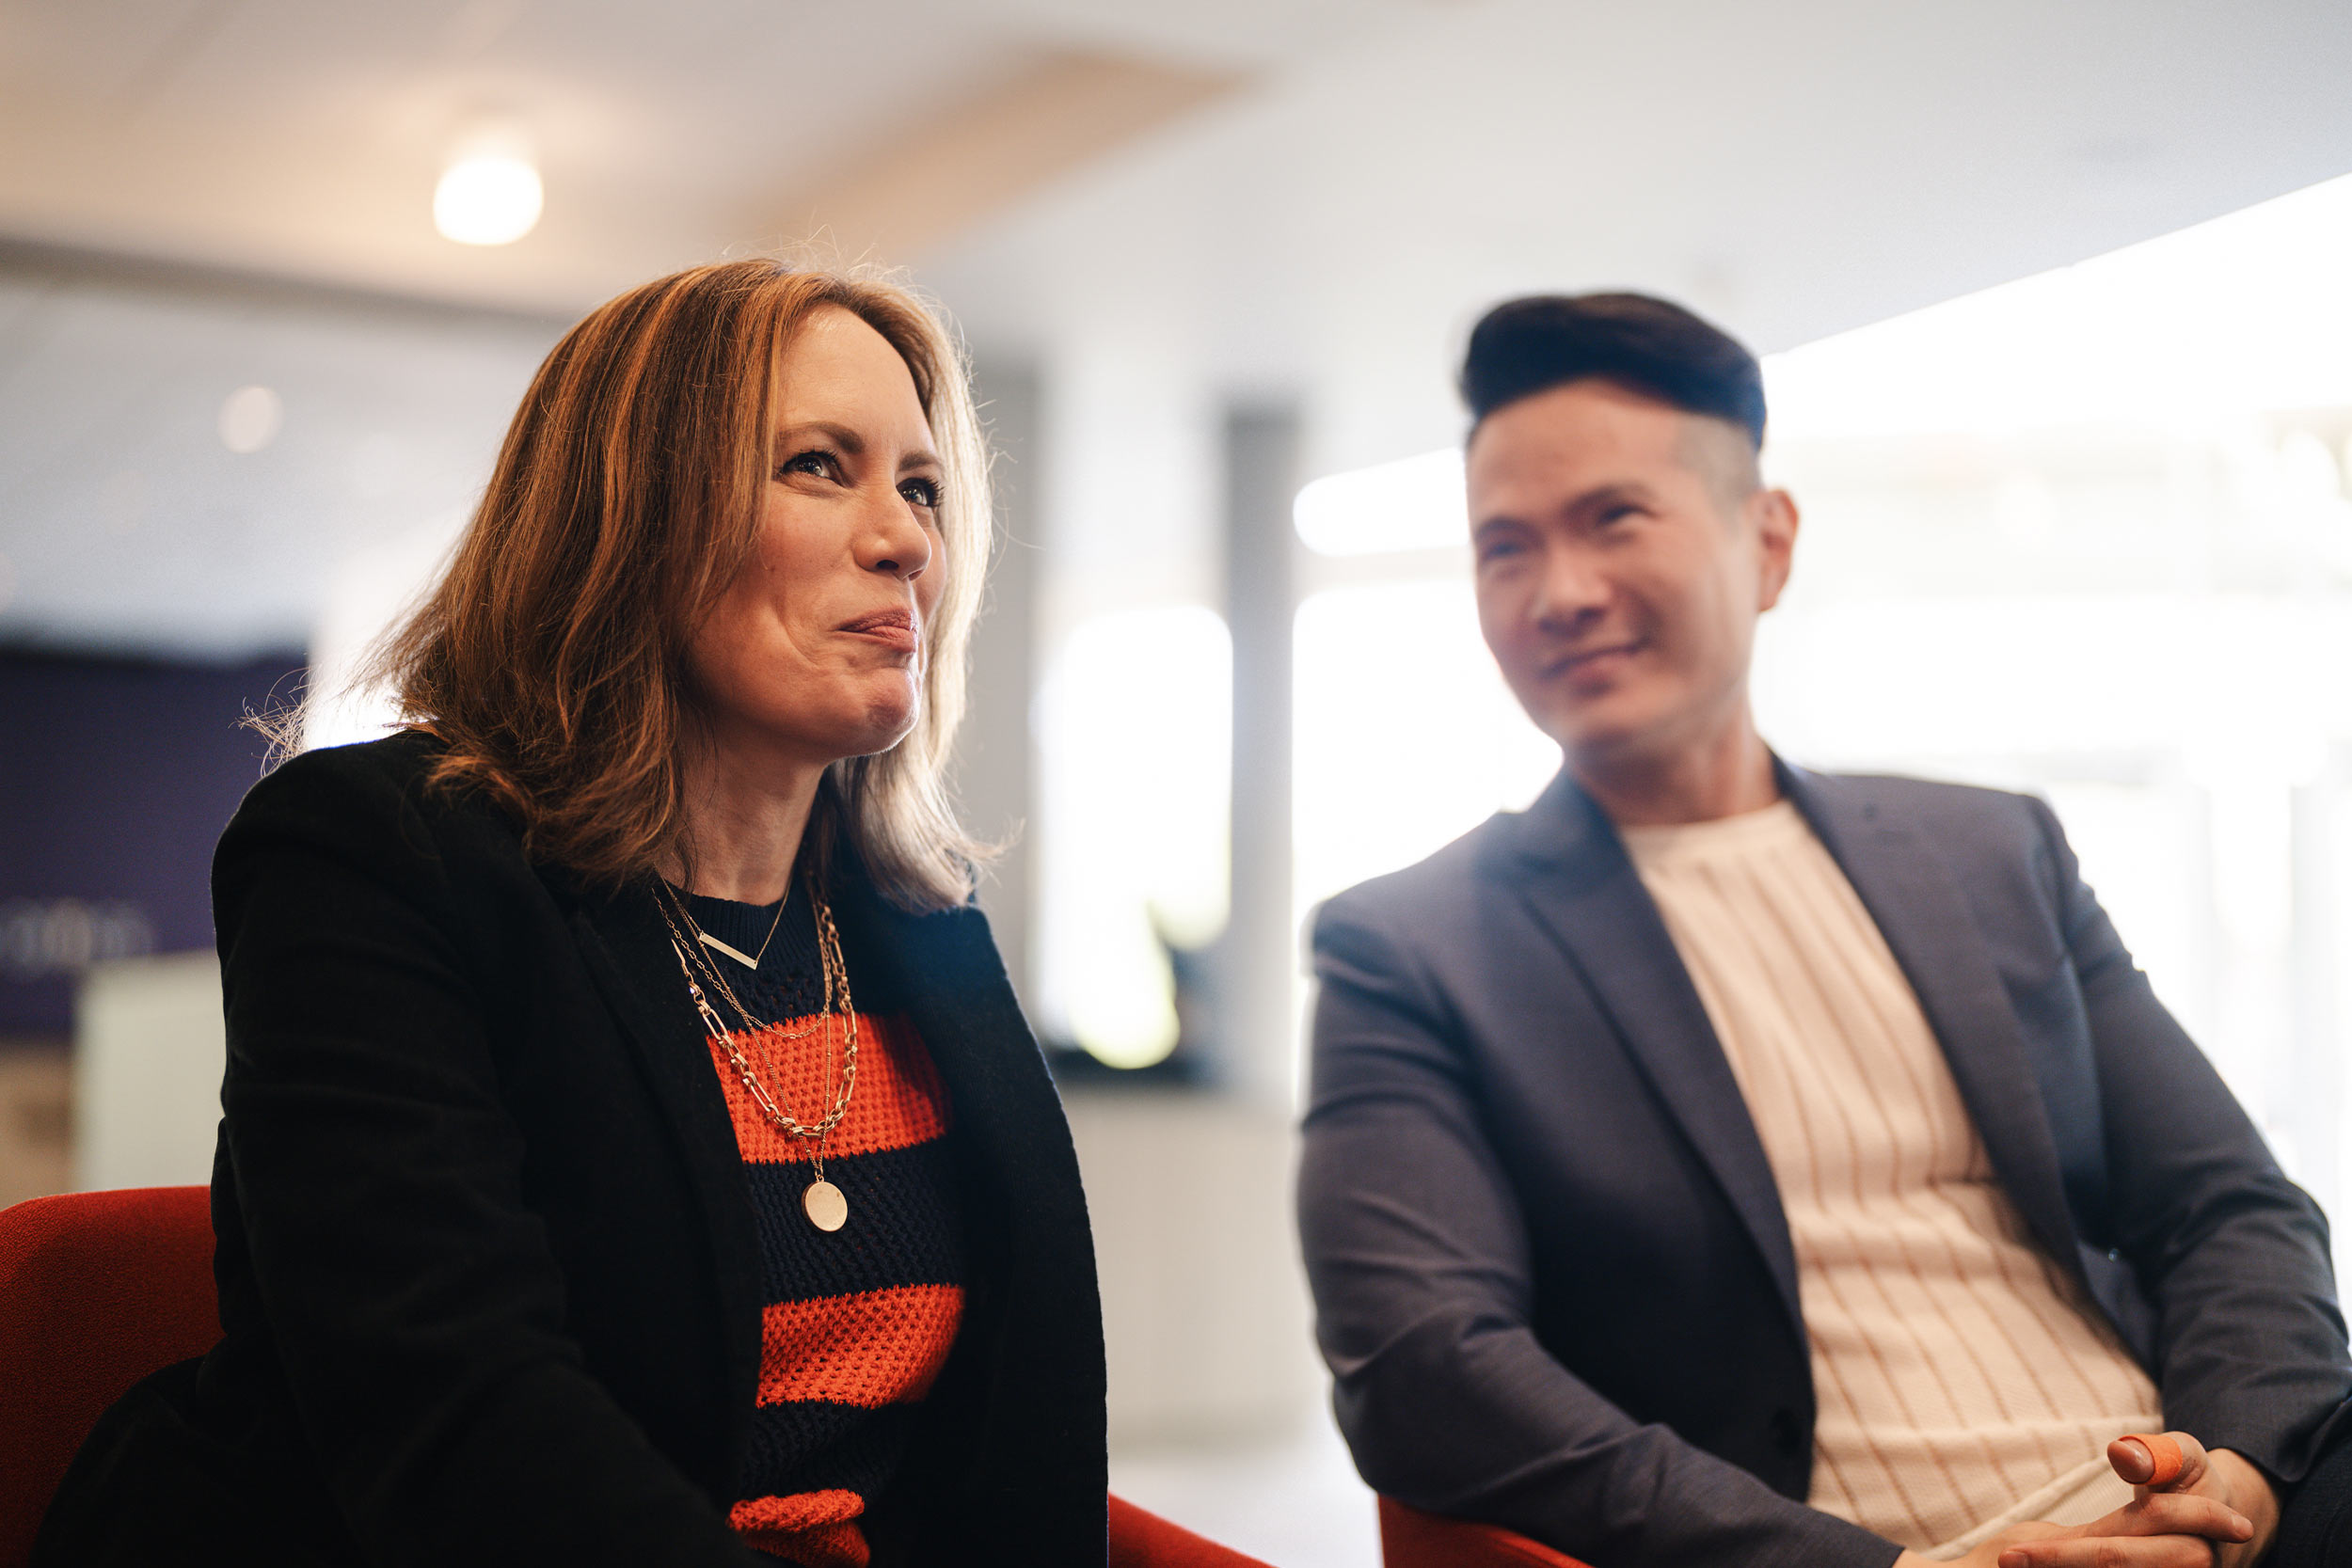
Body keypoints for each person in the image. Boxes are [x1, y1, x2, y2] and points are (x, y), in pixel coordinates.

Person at [36, 260, 1107, 1568]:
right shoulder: (372, 854)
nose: (907, 541)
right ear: (631, 519)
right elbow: (467, 1433)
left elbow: (1023, 1433)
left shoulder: (917, 918)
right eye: (820, 466)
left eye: (923, 487)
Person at [1295, 292, 2352, 1567]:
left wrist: (2240, 1482)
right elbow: (1425, 1370)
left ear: (1769, 544)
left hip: (2208, 1506)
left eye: (1615, 518)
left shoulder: (1992, 853)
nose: (1559, 592)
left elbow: (2229, 1206)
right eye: (1504, 547)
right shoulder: (1415, 950)